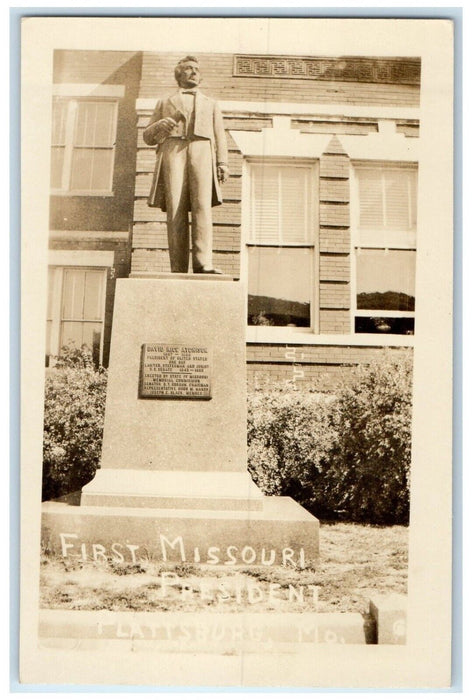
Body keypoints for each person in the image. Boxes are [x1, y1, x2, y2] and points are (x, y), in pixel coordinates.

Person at [143, 56, 229, 274]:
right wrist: (160, 125)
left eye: (197, 69)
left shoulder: (211, 104)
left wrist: (223, 162)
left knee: (202, 207)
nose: (193, 73)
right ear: (178, 74)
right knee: (176, 208)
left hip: (202, 150)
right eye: (188, 69)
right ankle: (178, 267)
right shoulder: (164, 103)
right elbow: (147, 136)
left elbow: (220, 135)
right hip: (173, 151)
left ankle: (203, 264)